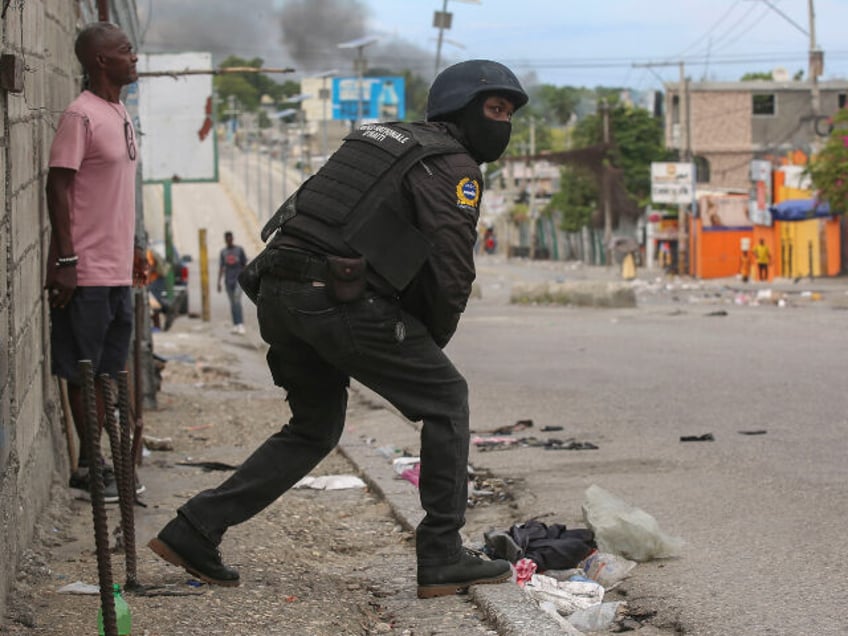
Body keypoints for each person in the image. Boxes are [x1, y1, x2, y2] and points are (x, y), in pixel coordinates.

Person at [149, 59, 528, 598]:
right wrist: (428, 346)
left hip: (279, 289)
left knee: (315, 427)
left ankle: (193, 529)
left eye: (509, 113)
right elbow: (450, 267)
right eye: (495, 109)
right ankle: (442, 553)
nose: (503, 123)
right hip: (335, 297)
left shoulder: (379, 140)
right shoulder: (454, 165)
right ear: (460, 110)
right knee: (446, 400)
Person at [45, 22, 147, 502]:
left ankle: (109, 461)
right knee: (83, 369)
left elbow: (112, 197)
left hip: (115, 270)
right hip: (83, 270)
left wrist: (131, 251)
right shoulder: (80, 115)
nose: (135, 58)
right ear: (101, 61)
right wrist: (66, 258)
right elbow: (58, 186)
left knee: (107, 368)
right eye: (126, 52)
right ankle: (91, 464)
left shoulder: (118, 111)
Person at [218, 231, 248, 334]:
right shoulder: (223, 252)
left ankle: (241, 324)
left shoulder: (239, 250)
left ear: (233, 239)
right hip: (228, 281)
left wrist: (246, 279)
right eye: (227, 239)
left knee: (237, 301)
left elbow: (245, 265)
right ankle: (235, 324)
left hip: (238, 280)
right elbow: (221, 268)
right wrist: (219, 282)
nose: (229, 241)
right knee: (232, 303)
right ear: (225, 240)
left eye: (231, 238)